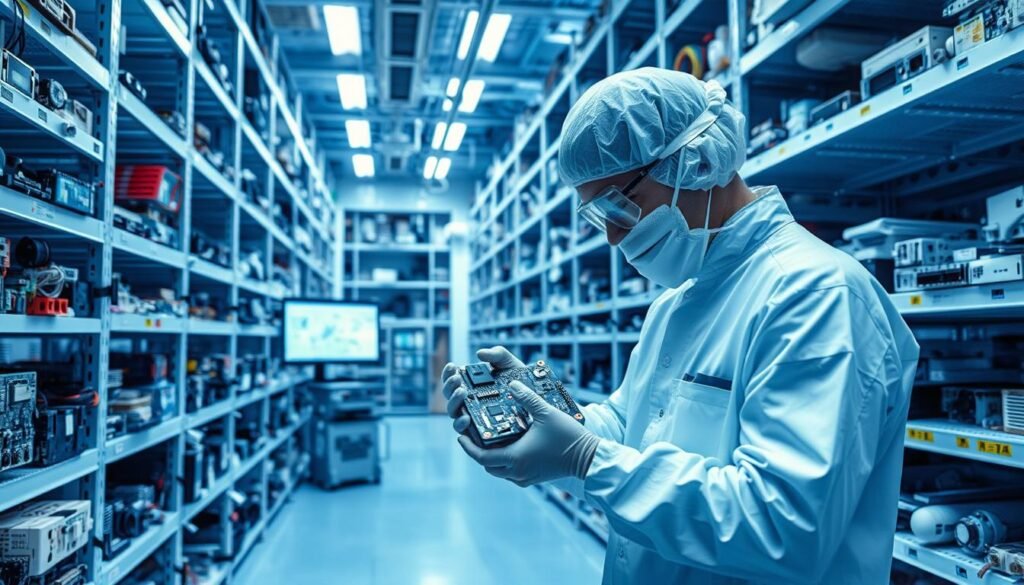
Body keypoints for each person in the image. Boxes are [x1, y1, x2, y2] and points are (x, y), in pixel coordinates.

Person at [440, 68, 919, 585]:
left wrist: (585, 461)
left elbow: (783, 528)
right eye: (599, 219)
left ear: (698, 160)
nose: (614, 238)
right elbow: (630, 429)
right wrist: (551, 421)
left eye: (619, 206)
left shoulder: (816, 295)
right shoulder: (675, 303)